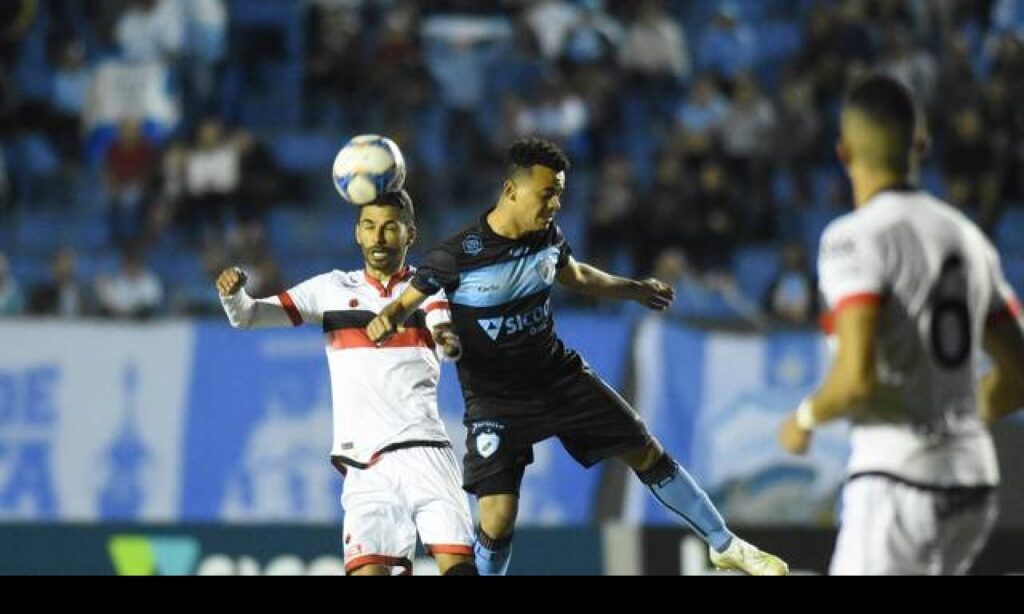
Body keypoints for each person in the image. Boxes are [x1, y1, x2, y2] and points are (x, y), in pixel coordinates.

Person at [367, 138, 788, 576]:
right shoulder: (457, 255)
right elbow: (407, 301)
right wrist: (388, 318)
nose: (555, 204)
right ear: (511, 191)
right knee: (497, 517)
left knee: (644, 449)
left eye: (560, 195)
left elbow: (578, 275)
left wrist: (635, 288)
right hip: (497, 399)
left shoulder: (546, 235)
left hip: (559, 377)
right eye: (547, 194)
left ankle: (725, 544)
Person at [778, 75, 1024, 575]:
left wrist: (802, 420)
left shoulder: (853, 238)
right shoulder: (968, 236)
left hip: (898, 482)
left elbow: (855, 380)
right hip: (973, 483)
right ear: (921, 147)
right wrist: (955, 423)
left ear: (844, 152)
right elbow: (1018, 376)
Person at [217, 189, 477, 576]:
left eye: (391, 227)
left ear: (411, 235)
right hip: (365, 467)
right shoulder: (330, 290)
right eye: (369, 227)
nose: (379, 237)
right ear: (357, 233)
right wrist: (234, 295)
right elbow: (249, 316)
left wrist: (448, 342)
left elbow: (443, 333)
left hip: (426, 453)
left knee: (459, 570)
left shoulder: (425, 289)